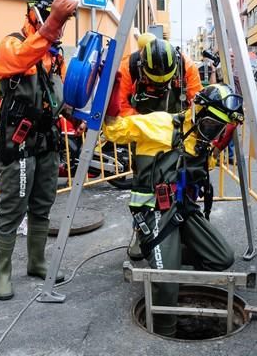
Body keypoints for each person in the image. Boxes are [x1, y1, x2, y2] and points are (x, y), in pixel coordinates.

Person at [104, 83, 242, 337]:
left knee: (222, 258)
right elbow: (114, 131)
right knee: (167, 281)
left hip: (182, 209)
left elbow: (204, 164)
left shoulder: (203, 141)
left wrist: (220, 143)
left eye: (218, 129)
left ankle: (167, 254)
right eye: (211, 125)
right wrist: (112, 91)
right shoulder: (160, 124)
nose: (212, 133)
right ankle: (164, 331)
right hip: (154, 211)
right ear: (197, 110)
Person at [0, 0, 78, 300]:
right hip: (20, 143)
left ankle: (37, 262)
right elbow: (21, 58)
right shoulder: (11, 44)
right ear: (35, 12)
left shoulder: (55, 56)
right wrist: (51, 25)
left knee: (42, 205)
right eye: (56, 17)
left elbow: (60, 94)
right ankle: (2, 273)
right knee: (13, 208)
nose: (60, 26)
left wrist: (74, 115)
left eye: (63, 21)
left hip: (48, 141)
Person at [111, 37, 202, 260]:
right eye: (155, 83)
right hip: (144, 135)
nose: (161, 87)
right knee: (144, 188)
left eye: (165, 82)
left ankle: (183, 232)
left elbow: (197, 106)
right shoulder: (129, 67)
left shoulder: (186, 67)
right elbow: (122, 107)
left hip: (179, 135)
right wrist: (149, 127)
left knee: (185, 182)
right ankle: (141, 232)